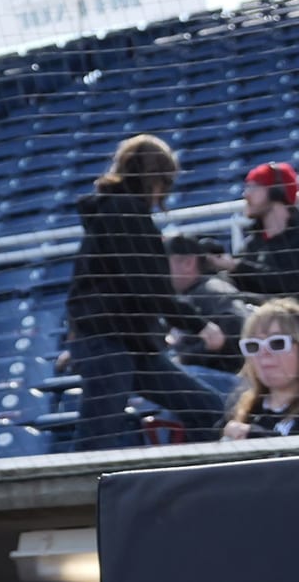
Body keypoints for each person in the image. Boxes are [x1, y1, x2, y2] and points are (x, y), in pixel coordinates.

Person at [65, 134, 230, 449]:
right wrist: (200, 325)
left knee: (207, 408)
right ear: (157, 178)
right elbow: (148, 286)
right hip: (110, 343)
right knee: (96, 439)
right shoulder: (124, 212)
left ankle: (195, 476)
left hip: (133, 343)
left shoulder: (115, 212)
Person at [165, 233, 250, 389]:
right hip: (204, 377)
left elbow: (235, 336)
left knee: (171, 378)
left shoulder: (215, 291)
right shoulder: (182, 297)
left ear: (188, 263)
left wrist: (185, 358)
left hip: (229, 380)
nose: (159, 268)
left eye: (164, 261)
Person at [218, 161, 299, 301]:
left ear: (276, 190)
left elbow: (292, 284)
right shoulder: (251, 245)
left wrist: (238, 267)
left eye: (253, 186)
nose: (245, 194)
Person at [222, 299, 299, 440]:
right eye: (253, 345)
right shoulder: (238, 406)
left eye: (277, 342)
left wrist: (254, 436)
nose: (264, 352)